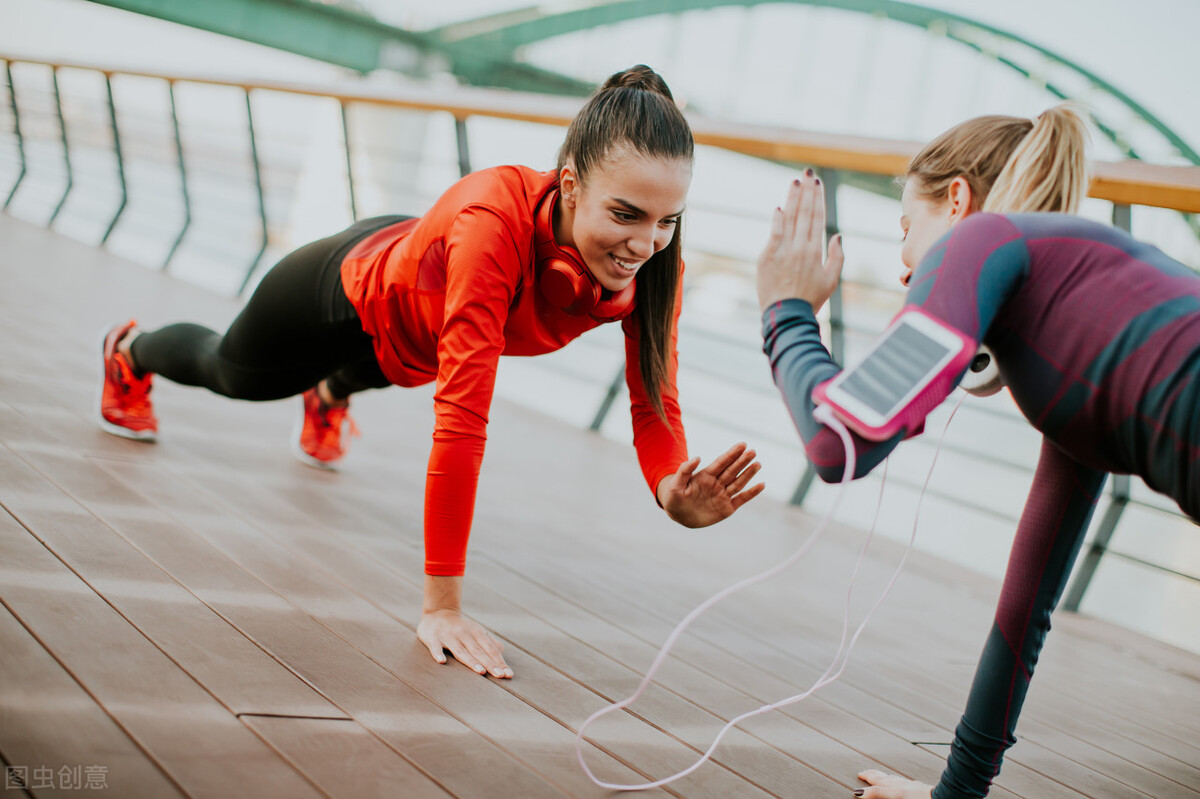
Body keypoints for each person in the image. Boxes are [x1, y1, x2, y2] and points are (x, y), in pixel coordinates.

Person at [98, 64, 766, 680]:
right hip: (348, 293)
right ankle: (130, 351)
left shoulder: (655, 267)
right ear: (568, 184)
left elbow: (655, 399)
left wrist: (668, 486)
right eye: (625, 214)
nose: (645, 244)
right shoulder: (494, 223)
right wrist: (441, 603)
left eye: (666, 222)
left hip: (417, 337)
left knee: (398, 366)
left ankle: (328, 394)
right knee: (233, 374)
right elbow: (463, 418)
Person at [756, 107, 1199, 798]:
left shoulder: (984, 241)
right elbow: (1025, 610)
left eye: (909, 233)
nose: (909, 269)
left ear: (957, 200)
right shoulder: (1085, 310)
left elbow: (838, 440)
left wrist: (786, 309)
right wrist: (954, 794)